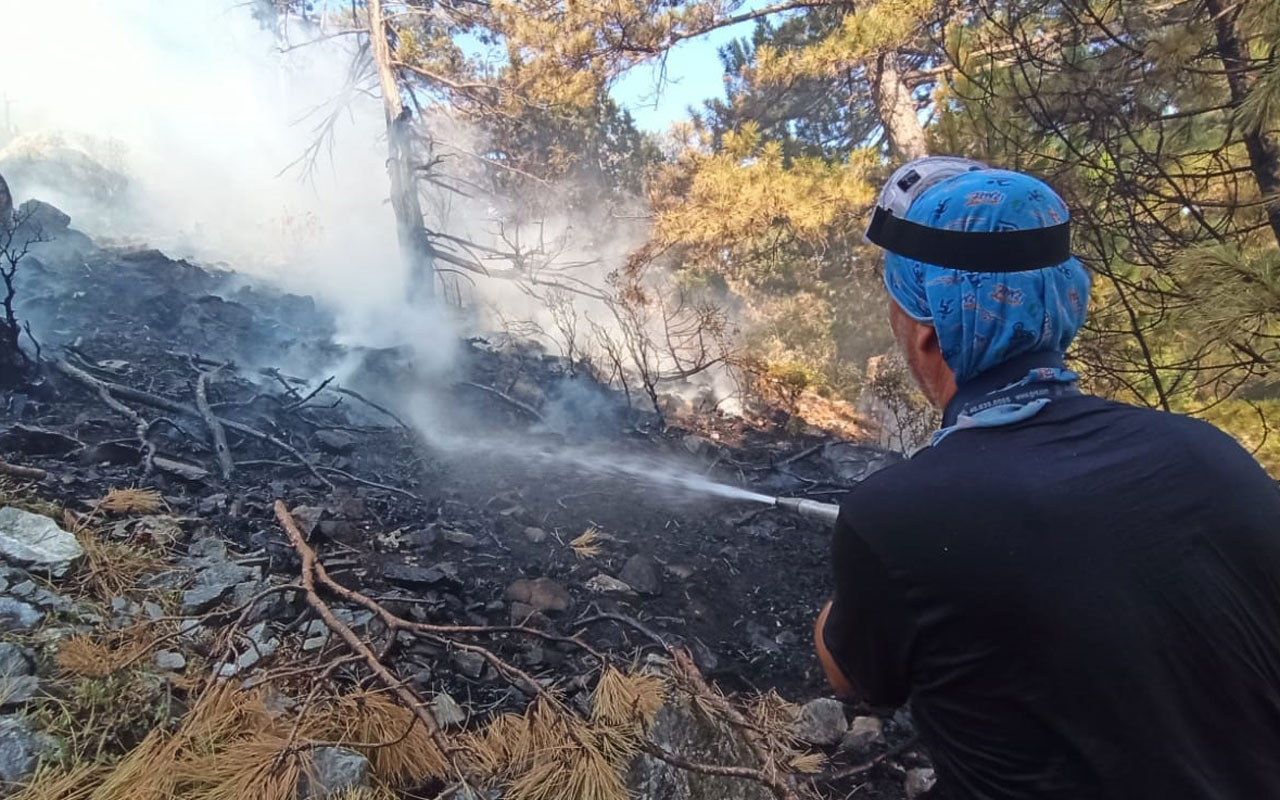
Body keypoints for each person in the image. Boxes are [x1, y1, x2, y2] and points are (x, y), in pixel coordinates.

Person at [814, 157, 1280, 799]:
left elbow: (855, 681)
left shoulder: (900, 515)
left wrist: (864, 583)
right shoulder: (1210, 454)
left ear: (926, 333)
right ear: (1066, 302)